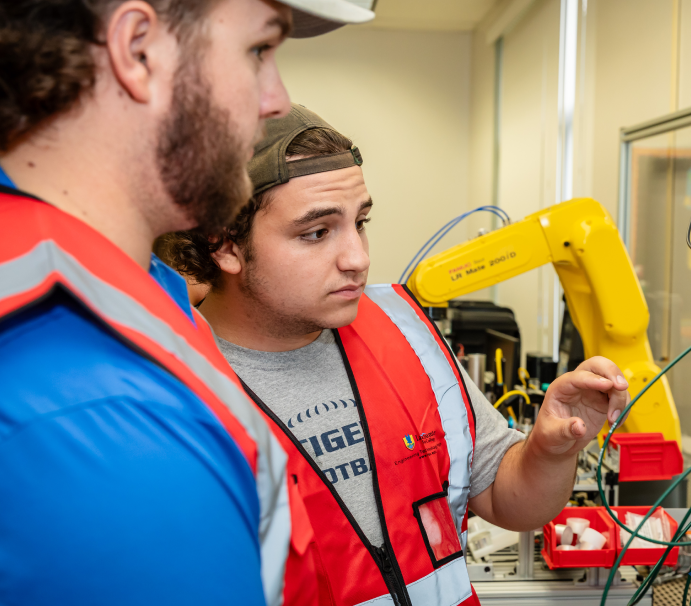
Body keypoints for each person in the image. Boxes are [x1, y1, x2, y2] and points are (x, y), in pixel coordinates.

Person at [0, 1, 371, 604]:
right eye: (258, 51)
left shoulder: (115, 280)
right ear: (138, 49)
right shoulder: (90, 408)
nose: (276, 99)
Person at [155, 105, 630, 606]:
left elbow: (507, 499)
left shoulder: (402, 331)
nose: (357, 257)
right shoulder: (172, 386)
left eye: (359, 222)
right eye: (316, 233)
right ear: (223, 244)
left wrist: (549, 450)